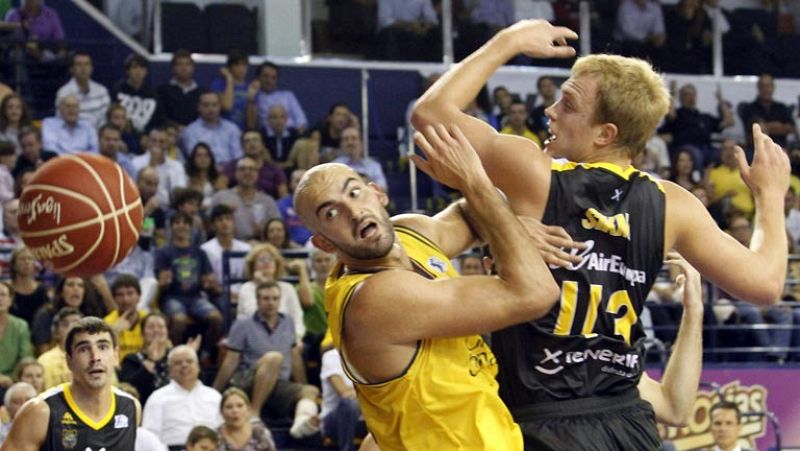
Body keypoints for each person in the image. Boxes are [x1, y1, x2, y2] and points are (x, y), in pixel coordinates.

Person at [412, 19, 788, 449]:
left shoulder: (536, 174)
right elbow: (765, 283)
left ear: (605, 134)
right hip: (628, 425)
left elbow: (430, 114)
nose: (551, 110)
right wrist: (769, 196)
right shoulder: (674, 205)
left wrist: (509, 41)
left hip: (541, 423)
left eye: (568, 104)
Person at [293, 120, 562, 449]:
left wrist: (511, 223)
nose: (353, 212)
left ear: (377, 193)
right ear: (323, 243)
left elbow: (470, 215)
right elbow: (535, 293)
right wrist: (473, 180)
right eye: (331, 214)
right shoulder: (375, 298)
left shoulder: (409, 233)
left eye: (353, 192)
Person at [1, 317, 140, 451]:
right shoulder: (40, 412)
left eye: (102, 347)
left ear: (116, 356)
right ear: (69, 361)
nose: (95, 357)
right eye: (83, 349)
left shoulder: (131, 408)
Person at [214, 281, 320, 438]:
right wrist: (215, 391)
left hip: (278, 382)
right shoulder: (242, 324)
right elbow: (231, 360)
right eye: (266, 298)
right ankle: (254, 414)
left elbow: (294, 357)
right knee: (274, 358)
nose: (271, 303)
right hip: (247, 380)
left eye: (275, 298)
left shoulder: (288, 322)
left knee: (310, 391)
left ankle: (300, 425)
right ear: (257, 300)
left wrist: (302, 383)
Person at [141, 345, 223, 448]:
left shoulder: (214, 396)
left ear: (198, 367)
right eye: (178, 363)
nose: (184, 365)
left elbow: (225, 430)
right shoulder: (157, 398)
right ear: (170, 370)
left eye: (189, 361)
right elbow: (149, 436)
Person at [319, 347, 364, 451]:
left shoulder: (371, 357)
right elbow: (343, 392)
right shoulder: (332, 356)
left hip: (366, 418)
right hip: (334, 419)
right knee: (349, 404)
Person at [181, 92, 243, 166]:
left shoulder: (232, 128)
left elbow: (238, 157)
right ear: (198, 107)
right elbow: (196, 159)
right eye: (206, 105)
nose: (210, 109)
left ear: (220, 107)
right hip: (204, 170)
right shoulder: (190, 131)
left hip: (231, 170)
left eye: (214, 105)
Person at [55, 51, 111, 128]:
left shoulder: (102, 91)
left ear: (91, 68)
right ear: (71, 69)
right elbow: (60, 121)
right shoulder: (63, 93)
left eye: (87, 64)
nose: (83, 68)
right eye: (79, 64)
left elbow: (106, 118)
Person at [104, 274, 148, 361]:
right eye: (120, 295)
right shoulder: (107, 323)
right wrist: (114, 331)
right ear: (114, 299)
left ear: (139, 296)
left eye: (130, 293)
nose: (125, 299)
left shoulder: (148, 320)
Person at [158, 50, 204, 126]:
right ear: (173, 68)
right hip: (169, 131)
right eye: (179, 64)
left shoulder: (203, 92)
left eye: (187, 64)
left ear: (193, 68)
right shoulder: (162, 91)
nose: (184, 68)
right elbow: (160, 116)